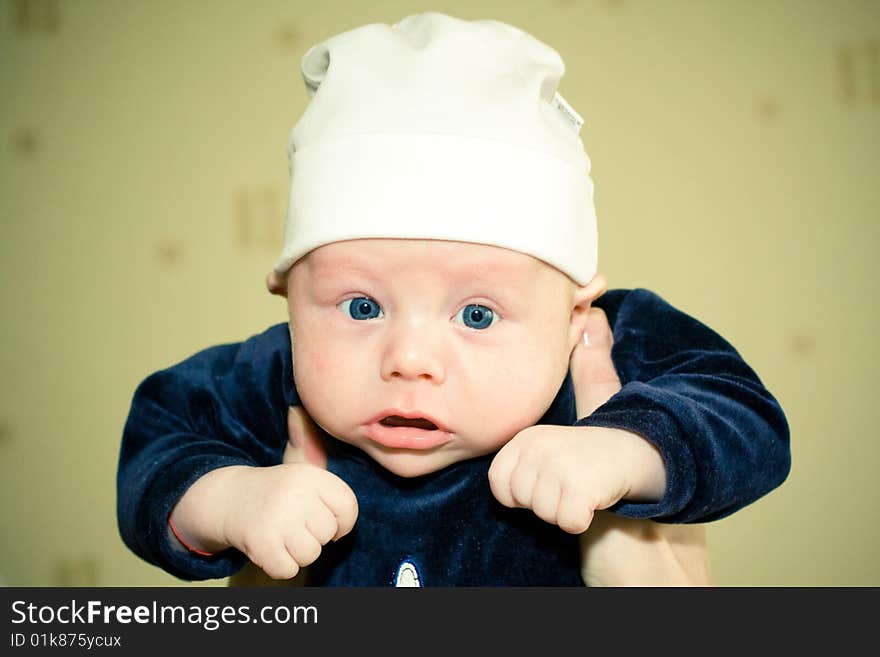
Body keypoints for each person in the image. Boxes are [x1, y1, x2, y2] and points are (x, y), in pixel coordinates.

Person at [117, 12, 790, 586]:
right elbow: (158, 438)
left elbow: (748, 420)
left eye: (476, 314)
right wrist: (230, 500)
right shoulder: (275, 378)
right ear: (287, 294)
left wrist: (626, 451)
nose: (409, 359)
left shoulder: (608, 346)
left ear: (574, 311)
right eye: (361, 307)